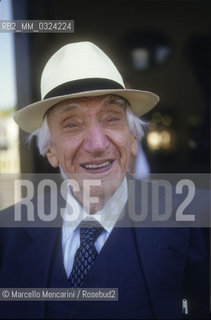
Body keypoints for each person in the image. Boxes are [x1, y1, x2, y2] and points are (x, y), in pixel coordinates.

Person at [0, 41, 209, 319]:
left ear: (133, 138)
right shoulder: (8, 233)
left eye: (112, 119)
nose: (97, 145)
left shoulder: (199, 219)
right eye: (72, 124)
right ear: (50, 150)